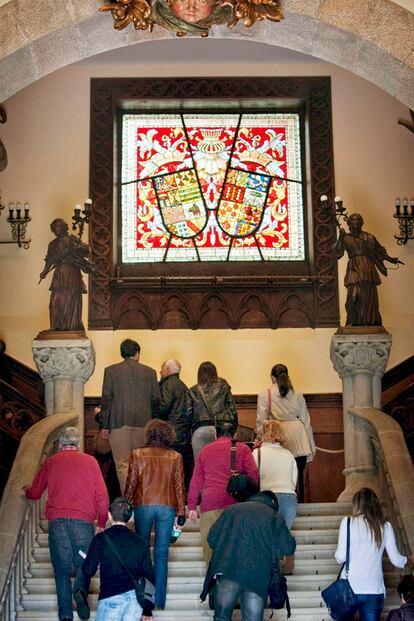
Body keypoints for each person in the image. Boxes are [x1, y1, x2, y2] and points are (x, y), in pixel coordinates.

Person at [23, 427, 109, 621]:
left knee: (61, 569)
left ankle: (65, 615)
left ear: (60, 443)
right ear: (77, 443)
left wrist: (26, 490)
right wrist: (101, 521)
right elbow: (102, 496)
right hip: (83, 523)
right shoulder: (91, 462)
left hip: (58, 523)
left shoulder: (51, 462)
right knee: (84, 564)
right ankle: (80, 591)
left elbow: (35, 493)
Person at [200, 491, 296, 621]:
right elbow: (289, 547)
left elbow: (212, 538)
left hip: (227, 571)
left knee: (221, 617)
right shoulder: (274, 516)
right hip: (257, 578)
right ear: (273, 503)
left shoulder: (231, 510)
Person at [124, 419, 186, 610]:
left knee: (142, 553)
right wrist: (181, 510)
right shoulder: (176, 457)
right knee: (161, 555)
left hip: (143, 505)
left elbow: (131, 482)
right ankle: (159, 601)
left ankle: (144, 599)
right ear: (168, 435)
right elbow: (179, 486)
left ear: (149, 434)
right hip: (167, 507)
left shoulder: (137, 454)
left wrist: (126, 506)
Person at [334, 487, 414, 621]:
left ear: (357, 504)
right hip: (374, 589)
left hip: (349, 588)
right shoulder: (385, 526)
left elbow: (340, 557)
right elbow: (396, 560)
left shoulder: (347, 523)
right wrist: (409, 560)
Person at [187, 420, 259, 565]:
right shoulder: (243, 449)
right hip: (236, 506)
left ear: (215, 434)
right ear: (235, 433)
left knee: (210, 549)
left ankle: (213, 582)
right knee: (236, 547)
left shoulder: (204, 451)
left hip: (210, 504)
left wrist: (192, 506)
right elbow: (254, 476)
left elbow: (196, 481)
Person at [99, 339, 161, 493]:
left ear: (122, 353)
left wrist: (104, 426)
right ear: (137, 354)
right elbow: (156, 402)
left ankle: (129, 502)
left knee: (122, 465)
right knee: (142, 464)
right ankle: (143, 500)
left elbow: (107, 400)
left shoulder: (111, 371)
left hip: (119, 424)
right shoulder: (150, 372)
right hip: (144, 426)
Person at [80, 497, 155, 621]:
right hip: (134, 602)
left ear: (109, 515)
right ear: (130, 518)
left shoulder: (100, 539)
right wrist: (147, 610)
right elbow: (150, 576)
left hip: (109, 598)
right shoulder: (140, 542)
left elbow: (87, 571)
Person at [256, 363, 315, 502]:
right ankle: (298, 501)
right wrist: (310, 445)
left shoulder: (265, 395)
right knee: (297, 472)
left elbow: (261, 421)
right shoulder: (298, 394)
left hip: (277, 436)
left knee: (279, 473)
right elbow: (306, 421)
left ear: (272, 377)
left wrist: (260, 438)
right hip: (298, 437)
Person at [334, 212, 400, 326]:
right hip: (354, 268)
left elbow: (380, 252)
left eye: (359, 220)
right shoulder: (346, 238)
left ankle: (370, 321)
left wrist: (391, 259)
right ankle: (352, 320)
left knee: (368, 296)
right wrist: (340, 238)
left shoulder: (369, 237)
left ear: (362, 223)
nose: (356, 222)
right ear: (349, 223)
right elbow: (338, 254)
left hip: (367, 268)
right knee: (353, 296)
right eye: (354, 220)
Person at [39, 218, 95, 332]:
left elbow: (87, 250)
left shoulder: (72, 239)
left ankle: (71, 327)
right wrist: (44, 271)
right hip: (59, 274)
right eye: (55, 227)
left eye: (59, 226)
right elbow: (49, 259)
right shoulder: (52, 244)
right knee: (55, 301)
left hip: (71, 272)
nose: (57, 229)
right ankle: (54, 326)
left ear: (65, 227)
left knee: (70, 299)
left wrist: (80, 248)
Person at [188, 361, 238, 460]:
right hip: (221, 431)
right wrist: (234, 430)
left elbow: (188, 414)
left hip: (200, 430)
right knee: (220, 466)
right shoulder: (224, 388)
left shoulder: (193, 390)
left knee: (201, 467)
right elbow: (233, 410)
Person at [159, 358, 193, 489]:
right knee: (181, 472)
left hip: (170, 434)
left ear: (167, 370)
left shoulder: (167, 385)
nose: (160, 371)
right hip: (183, 435)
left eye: (162, 368)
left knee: (169, 473)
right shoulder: (184, 386)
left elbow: (163, 408)